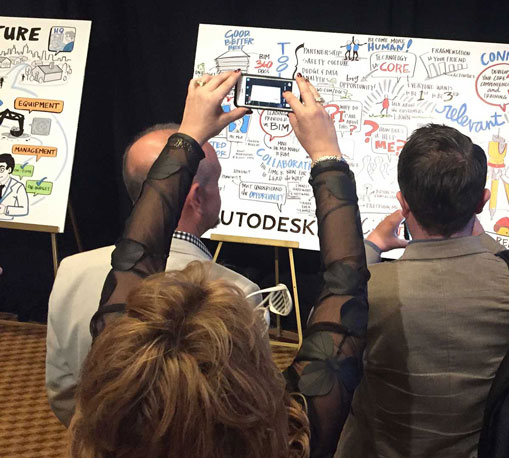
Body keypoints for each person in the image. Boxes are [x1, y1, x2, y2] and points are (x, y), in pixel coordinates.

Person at [69, 72, 369, 457]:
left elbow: (134, 254)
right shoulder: (288, 435)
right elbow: (346, 287)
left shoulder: (114, 408)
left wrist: (189, 135)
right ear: (247, 370)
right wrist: (326, 154)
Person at [336, 123, 509, 457]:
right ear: (481, 202)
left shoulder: (368, 290)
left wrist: (371, 245)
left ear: (403, 204)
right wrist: (486, 242)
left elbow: (325, 334)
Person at [45, 123, 261, 426]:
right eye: (218, 182)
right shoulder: (241, 293)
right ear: (197, 196)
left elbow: (63, 392)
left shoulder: (71, 271)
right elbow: (244, 412)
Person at [0, 152, 30, 219]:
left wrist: (6, 210)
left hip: (9, 225)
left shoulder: (18, 186)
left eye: (1, 169)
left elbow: (24, 210)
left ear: (9, 170)